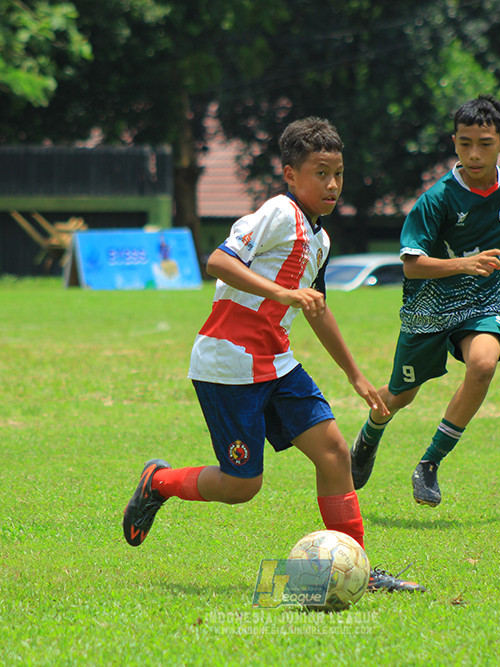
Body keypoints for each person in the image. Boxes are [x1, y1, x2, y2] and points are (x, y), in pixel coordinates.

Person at [122, 117, 424, 592]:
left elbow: (318, 308)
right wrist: (283, 294)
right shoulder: (278, 213)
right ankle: (159, 482)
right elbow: (219, 261)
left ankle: (357, 569)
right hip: (228, 364)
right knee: (243, 486)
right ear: (290, 174)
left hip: (277, 363)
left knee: (334, 452)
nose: (332, 184)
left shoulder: (320, 240)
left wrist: (356, 376)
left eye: (338, 173)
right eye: (320, 173)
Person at [349, 95, 500, 507]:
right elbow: (412, 267)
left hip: (486, 305)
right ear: (454, 142)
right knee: (401, 395)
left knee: (484, 364)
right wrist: (465, 263)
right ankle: (368, 436)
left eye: (485, 143)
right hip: (428, 311)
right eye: (466, 142)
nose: (474, 154)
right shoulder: (436, 199)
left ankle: (430, 463)